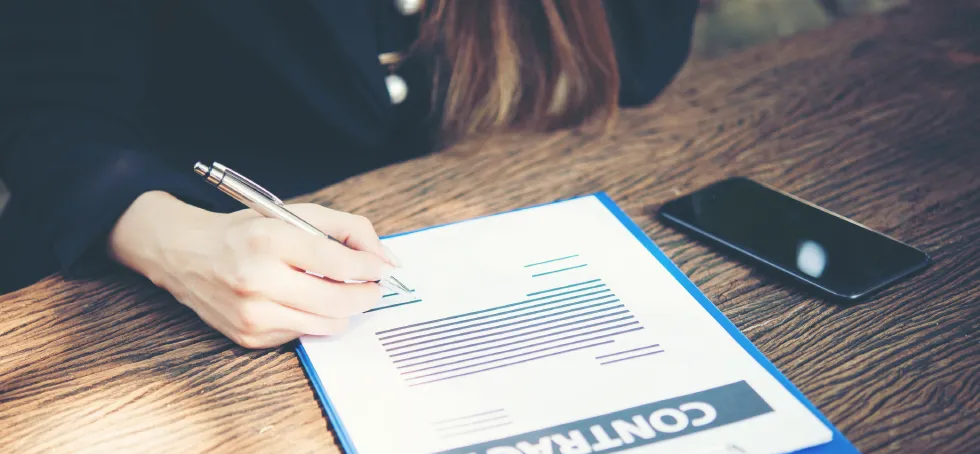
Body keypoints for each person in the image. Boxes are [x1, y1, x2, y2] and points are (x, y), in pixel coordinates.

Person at [0, 0, 699, 347]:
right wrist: (175, 243)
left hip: (518, 193)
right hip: (181, 255)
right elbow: (47, 106)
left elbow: (636, 57)